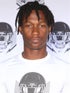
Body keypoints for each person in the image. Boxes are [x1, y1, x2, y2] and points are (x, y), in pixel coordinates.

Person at [0, 1, 70, 93]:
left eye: (41, 25)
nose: (35, 31)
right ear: (20, 29)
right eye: (29, 25)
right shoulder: (3, 70)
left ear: (49, 28)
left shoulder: (66, 70)